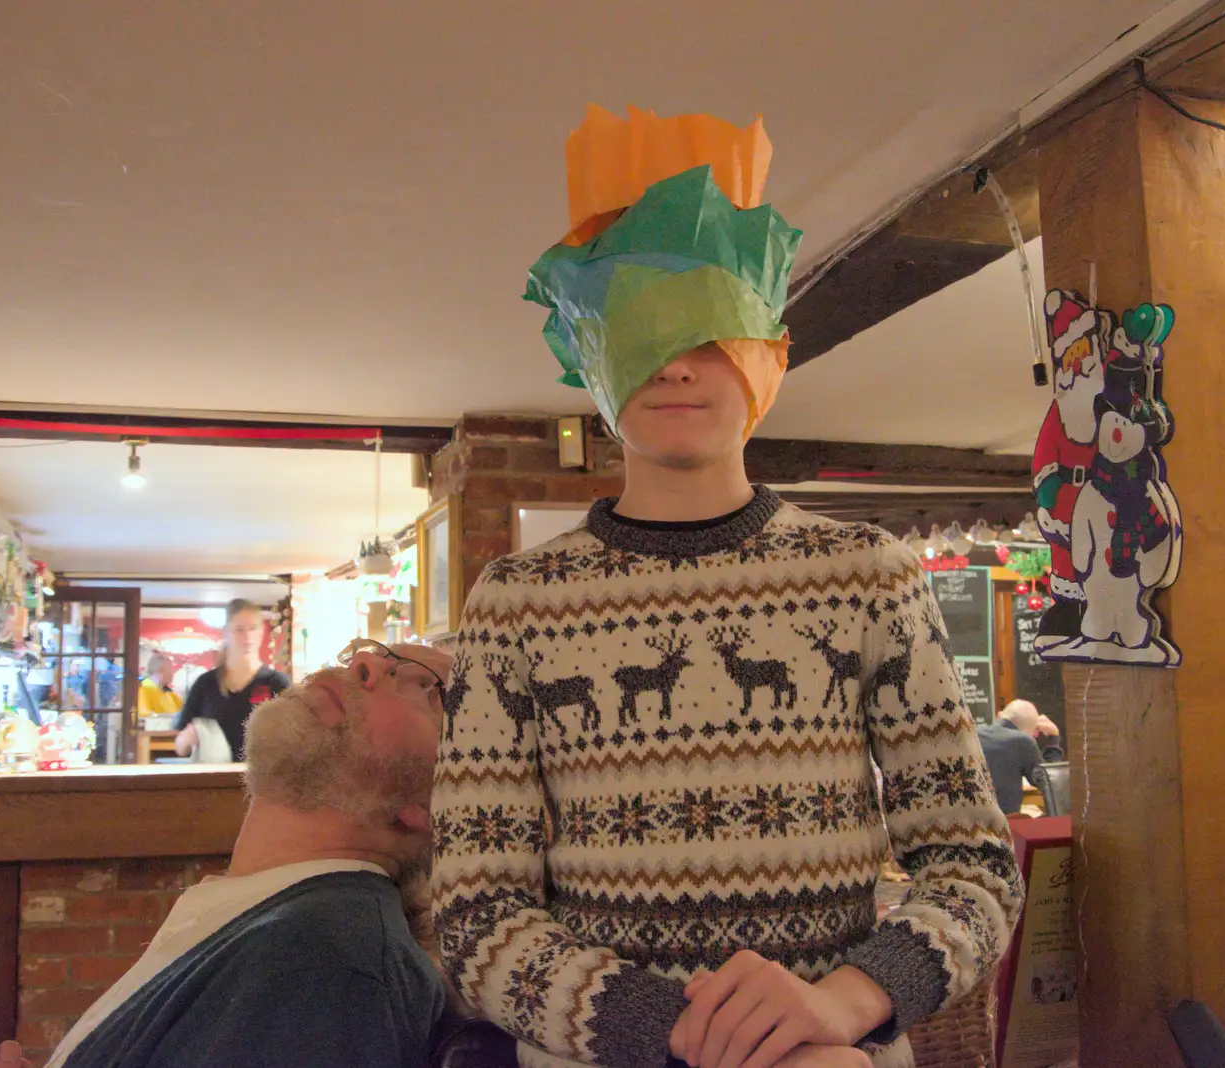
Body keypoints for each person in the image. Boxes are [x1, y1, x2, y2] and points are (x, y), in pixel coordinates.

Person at [431, 106, 1022, 1068]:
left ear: (767, 358)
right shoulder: (516, 605)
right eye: (640, 334)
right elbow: (474, 910)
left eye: (711, 334)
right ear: (592, 361)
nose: (674, 363)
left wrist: (841, 1008)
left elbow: (972, 863)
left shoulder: (869, 577)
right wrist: (685, 1040)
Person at [0, 639, 452, 1068]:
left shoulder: (326, 965)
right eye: (376, 654)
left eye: (428, 690)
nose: (363, 663)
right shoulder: (285, 921)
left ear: (440, 801)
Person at [174, 599, 289, 762]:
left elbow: (297, 739)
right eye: (239, 630)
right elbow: (180, 746)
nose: (247, 636)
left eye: (252, 629)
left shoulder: (276, 683)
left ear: (261, 632)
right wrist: (188, 738)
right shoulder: (205, 684)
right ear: (226, 633)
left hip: (263, 781)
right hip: (214, 782)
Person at [975, 699, 1064, 815]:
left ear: (999, 715)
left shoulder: (974, 734)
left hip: (966, 822)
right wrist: (1053, 739)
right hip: (1003, 823)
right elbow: (1049, 782)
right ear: (1036, 732)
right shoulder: (1023, 741)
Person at [137, 652, 183, 720]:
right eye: (171, 668)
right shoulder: (144, 688)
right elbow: (144, 717)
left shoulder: (168, 692)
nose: (173, 673)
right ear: (160, 670)